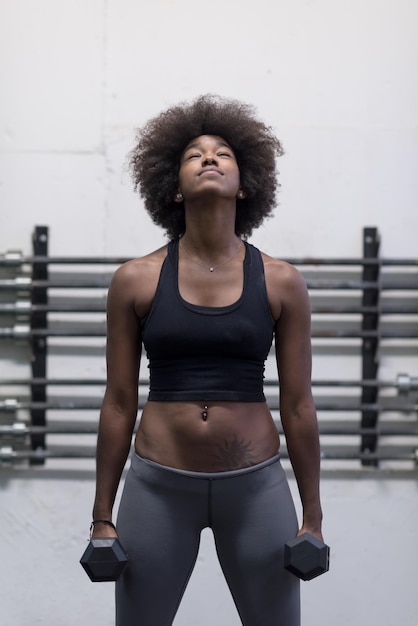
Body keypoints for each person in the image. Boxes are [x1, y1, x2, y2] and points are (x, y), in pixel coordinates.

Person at [90, 94, 323, 626]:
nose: (209, 158)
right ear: (174, 186)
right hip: (158, 484)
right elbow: (119, 402)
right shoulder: (136, 278)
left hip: (255, 483)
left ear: (245, 184)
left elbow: (300, 405)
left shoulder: (282, 281)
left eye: (223, 153)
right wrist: (102, 516)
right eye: (194, 154)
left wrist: (312, 512)